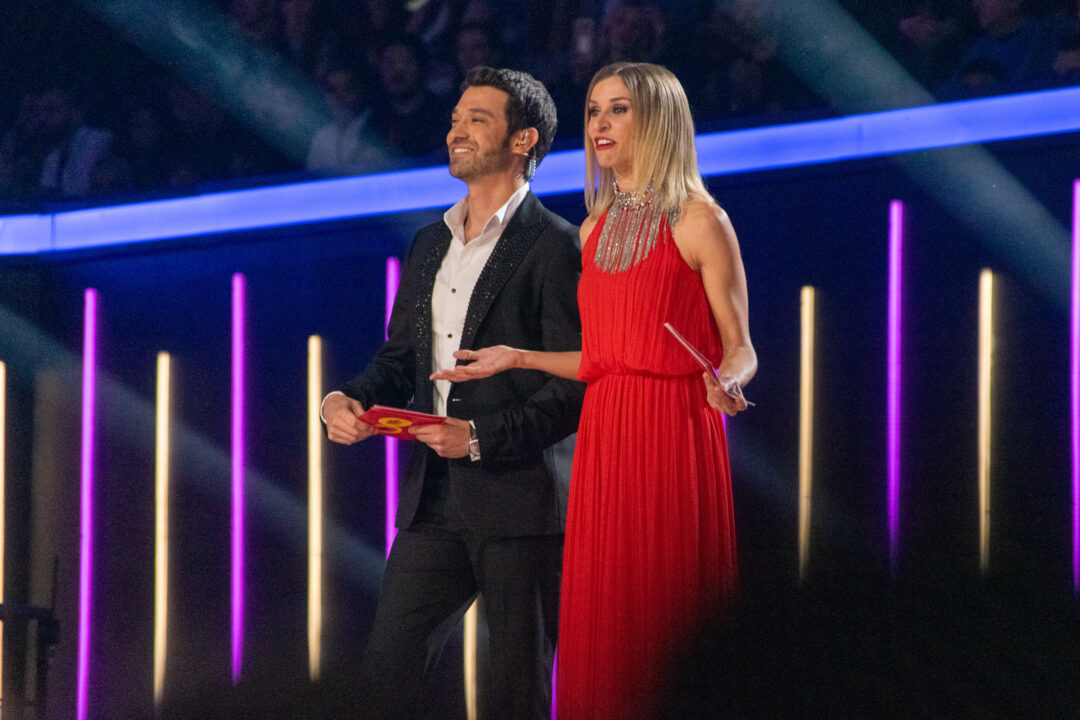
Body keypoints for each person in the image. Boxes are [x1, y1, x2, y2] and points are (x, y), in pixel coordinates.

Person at [432, 61, 756, 720]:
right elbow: (602, 358)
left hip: (671, 427)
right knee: (608, 606)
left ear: (658, 119)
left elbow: (740, 345)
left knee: (665, 605)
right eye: (593, 112)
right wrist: (516, 355)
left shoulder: (701, 219)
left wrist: (730, 379)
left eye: (618, 110)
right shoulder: (592, 230)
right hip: (606, 433)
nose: (600, 125)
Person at [322, 66, 584, 720]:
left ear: (524, 139)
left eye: (478, 119)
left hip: (521, 500)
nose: (455, 130)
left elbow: (574, 381)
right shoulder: (429, 242)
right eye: (456, 117)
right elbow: (400, 358)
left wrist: (480, 438)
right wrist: (345, 398)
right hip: (432, 502)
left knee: (516, 691)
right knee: (385, 675)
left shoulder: (556, 246)